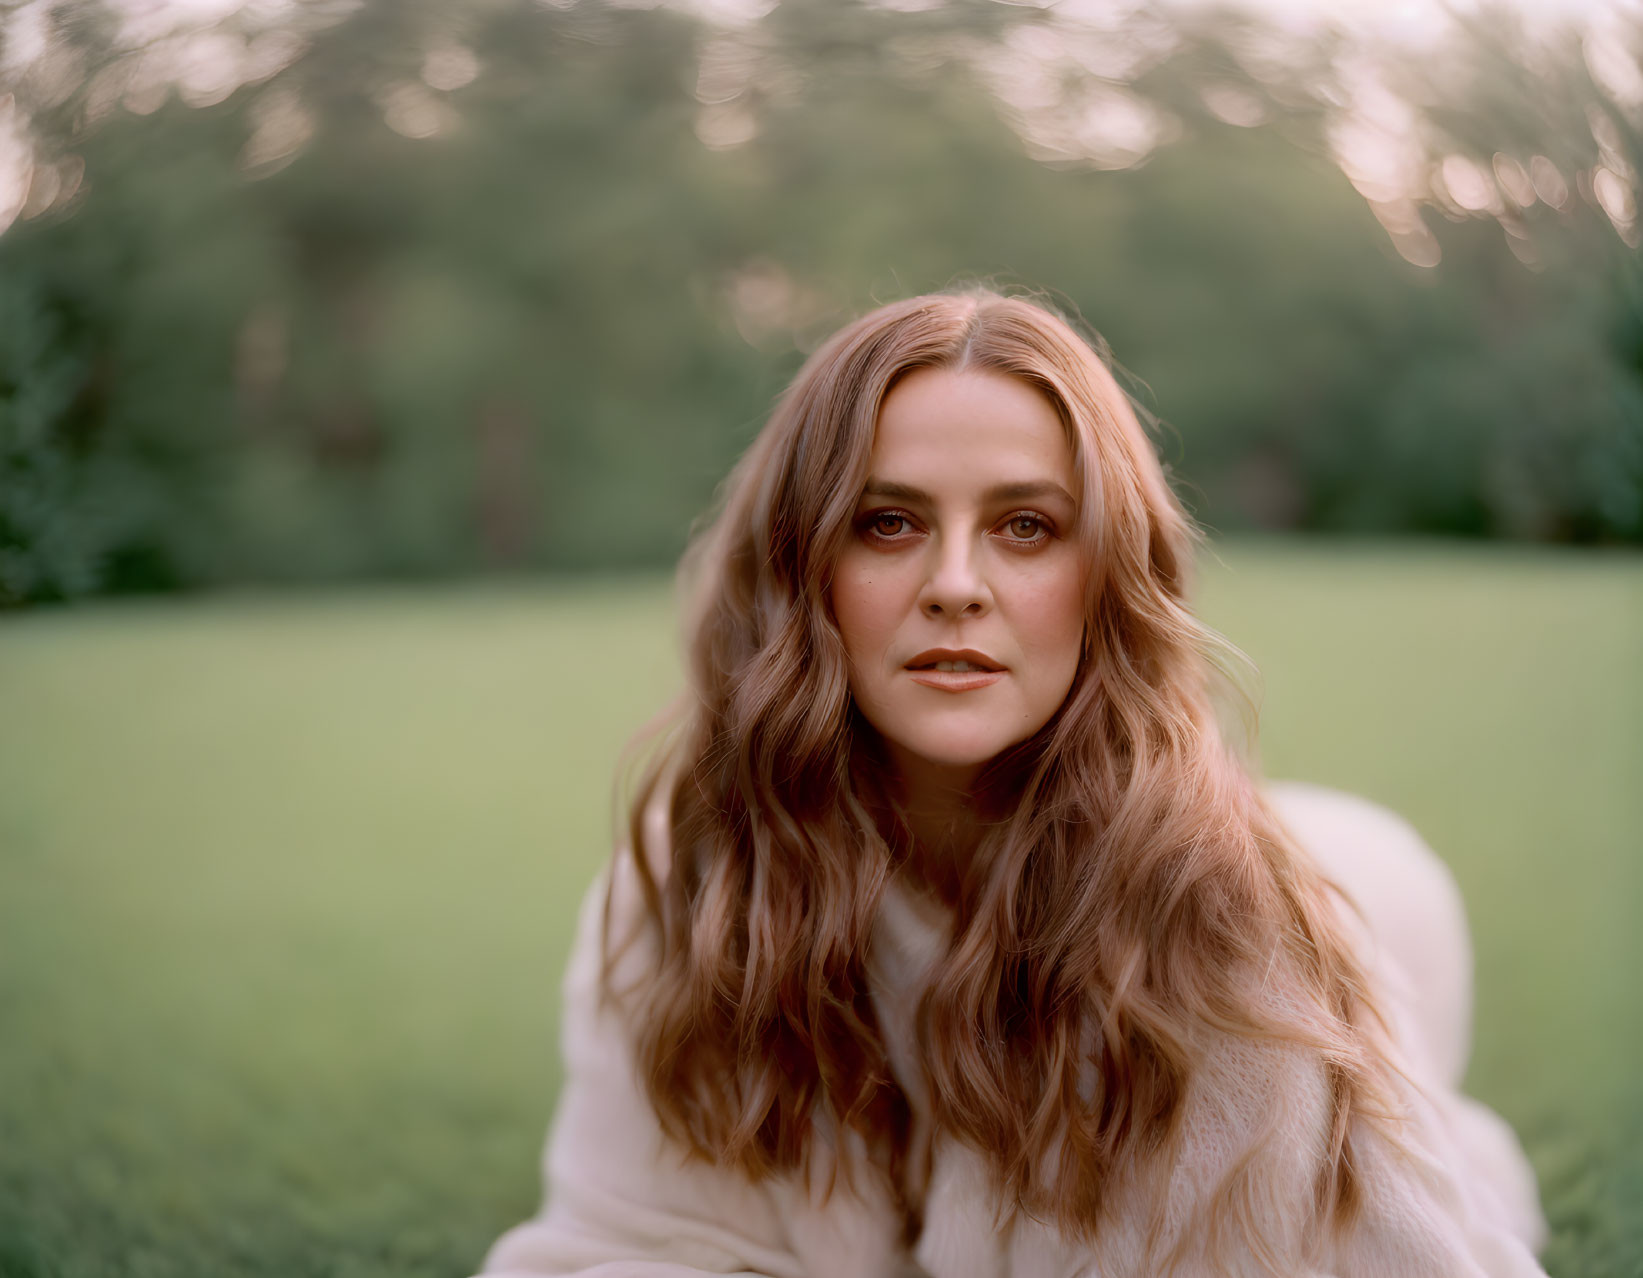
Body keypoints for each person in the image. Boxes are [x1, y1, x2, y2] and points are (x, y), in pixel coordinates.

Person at [477, 290, 1548, 1277]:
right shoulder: (692, 876)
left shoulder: (1240, 928)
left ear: (1105, 577)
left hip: (1366, 880)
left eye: (1023, 527)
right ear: (805, 569)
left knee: (1402, 1029)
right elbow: (621, 1242)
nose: (953, 587)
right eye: (886, 522)